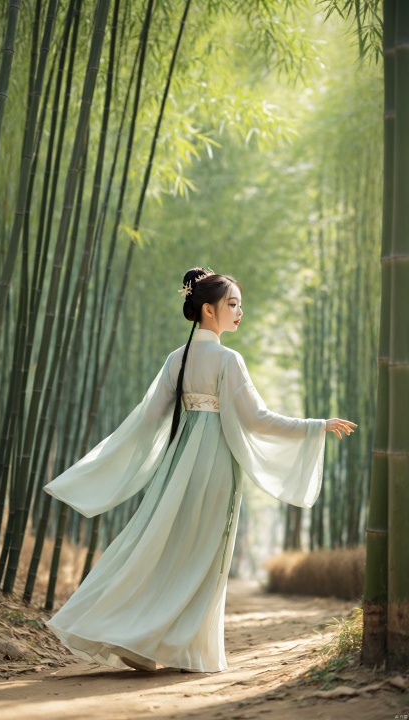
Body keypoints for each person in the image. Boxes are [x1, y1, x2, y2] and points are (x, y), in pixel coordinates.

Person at [43, 267, 356, 674]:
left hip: (178, 465)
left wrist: (103, 467)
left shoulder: (178, 359)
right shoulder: (228, 360)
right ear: (208, 309)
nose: (240, 311)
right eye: (232, 304)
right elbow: (258, 419)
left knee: (159, 545)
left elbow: (148, 421)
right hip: (216, 467)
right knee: (203, 554)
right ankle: (169, 643)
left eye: (240, 304)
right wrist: (316, 426)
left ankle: (141, 636)